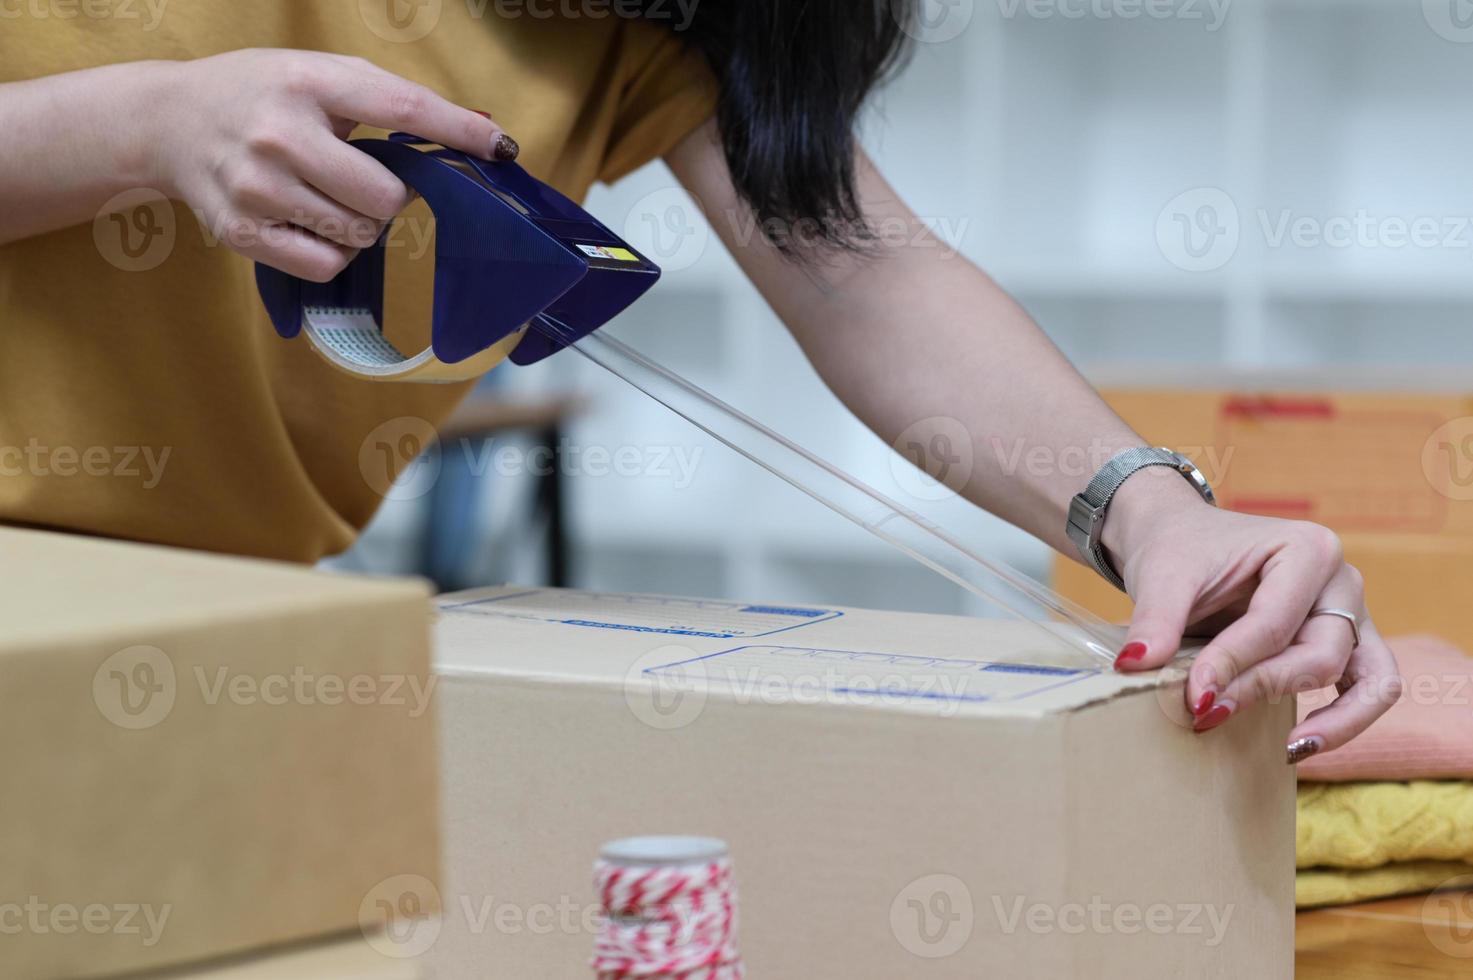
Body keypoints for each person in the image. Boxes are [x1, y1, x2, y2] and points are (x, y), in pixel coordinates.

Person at [0, 3, 1398, 764]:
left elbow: (855, 264)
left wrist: (1148, 513)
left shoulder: (652, 22)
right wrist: (134, 126)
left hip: (191, 650)